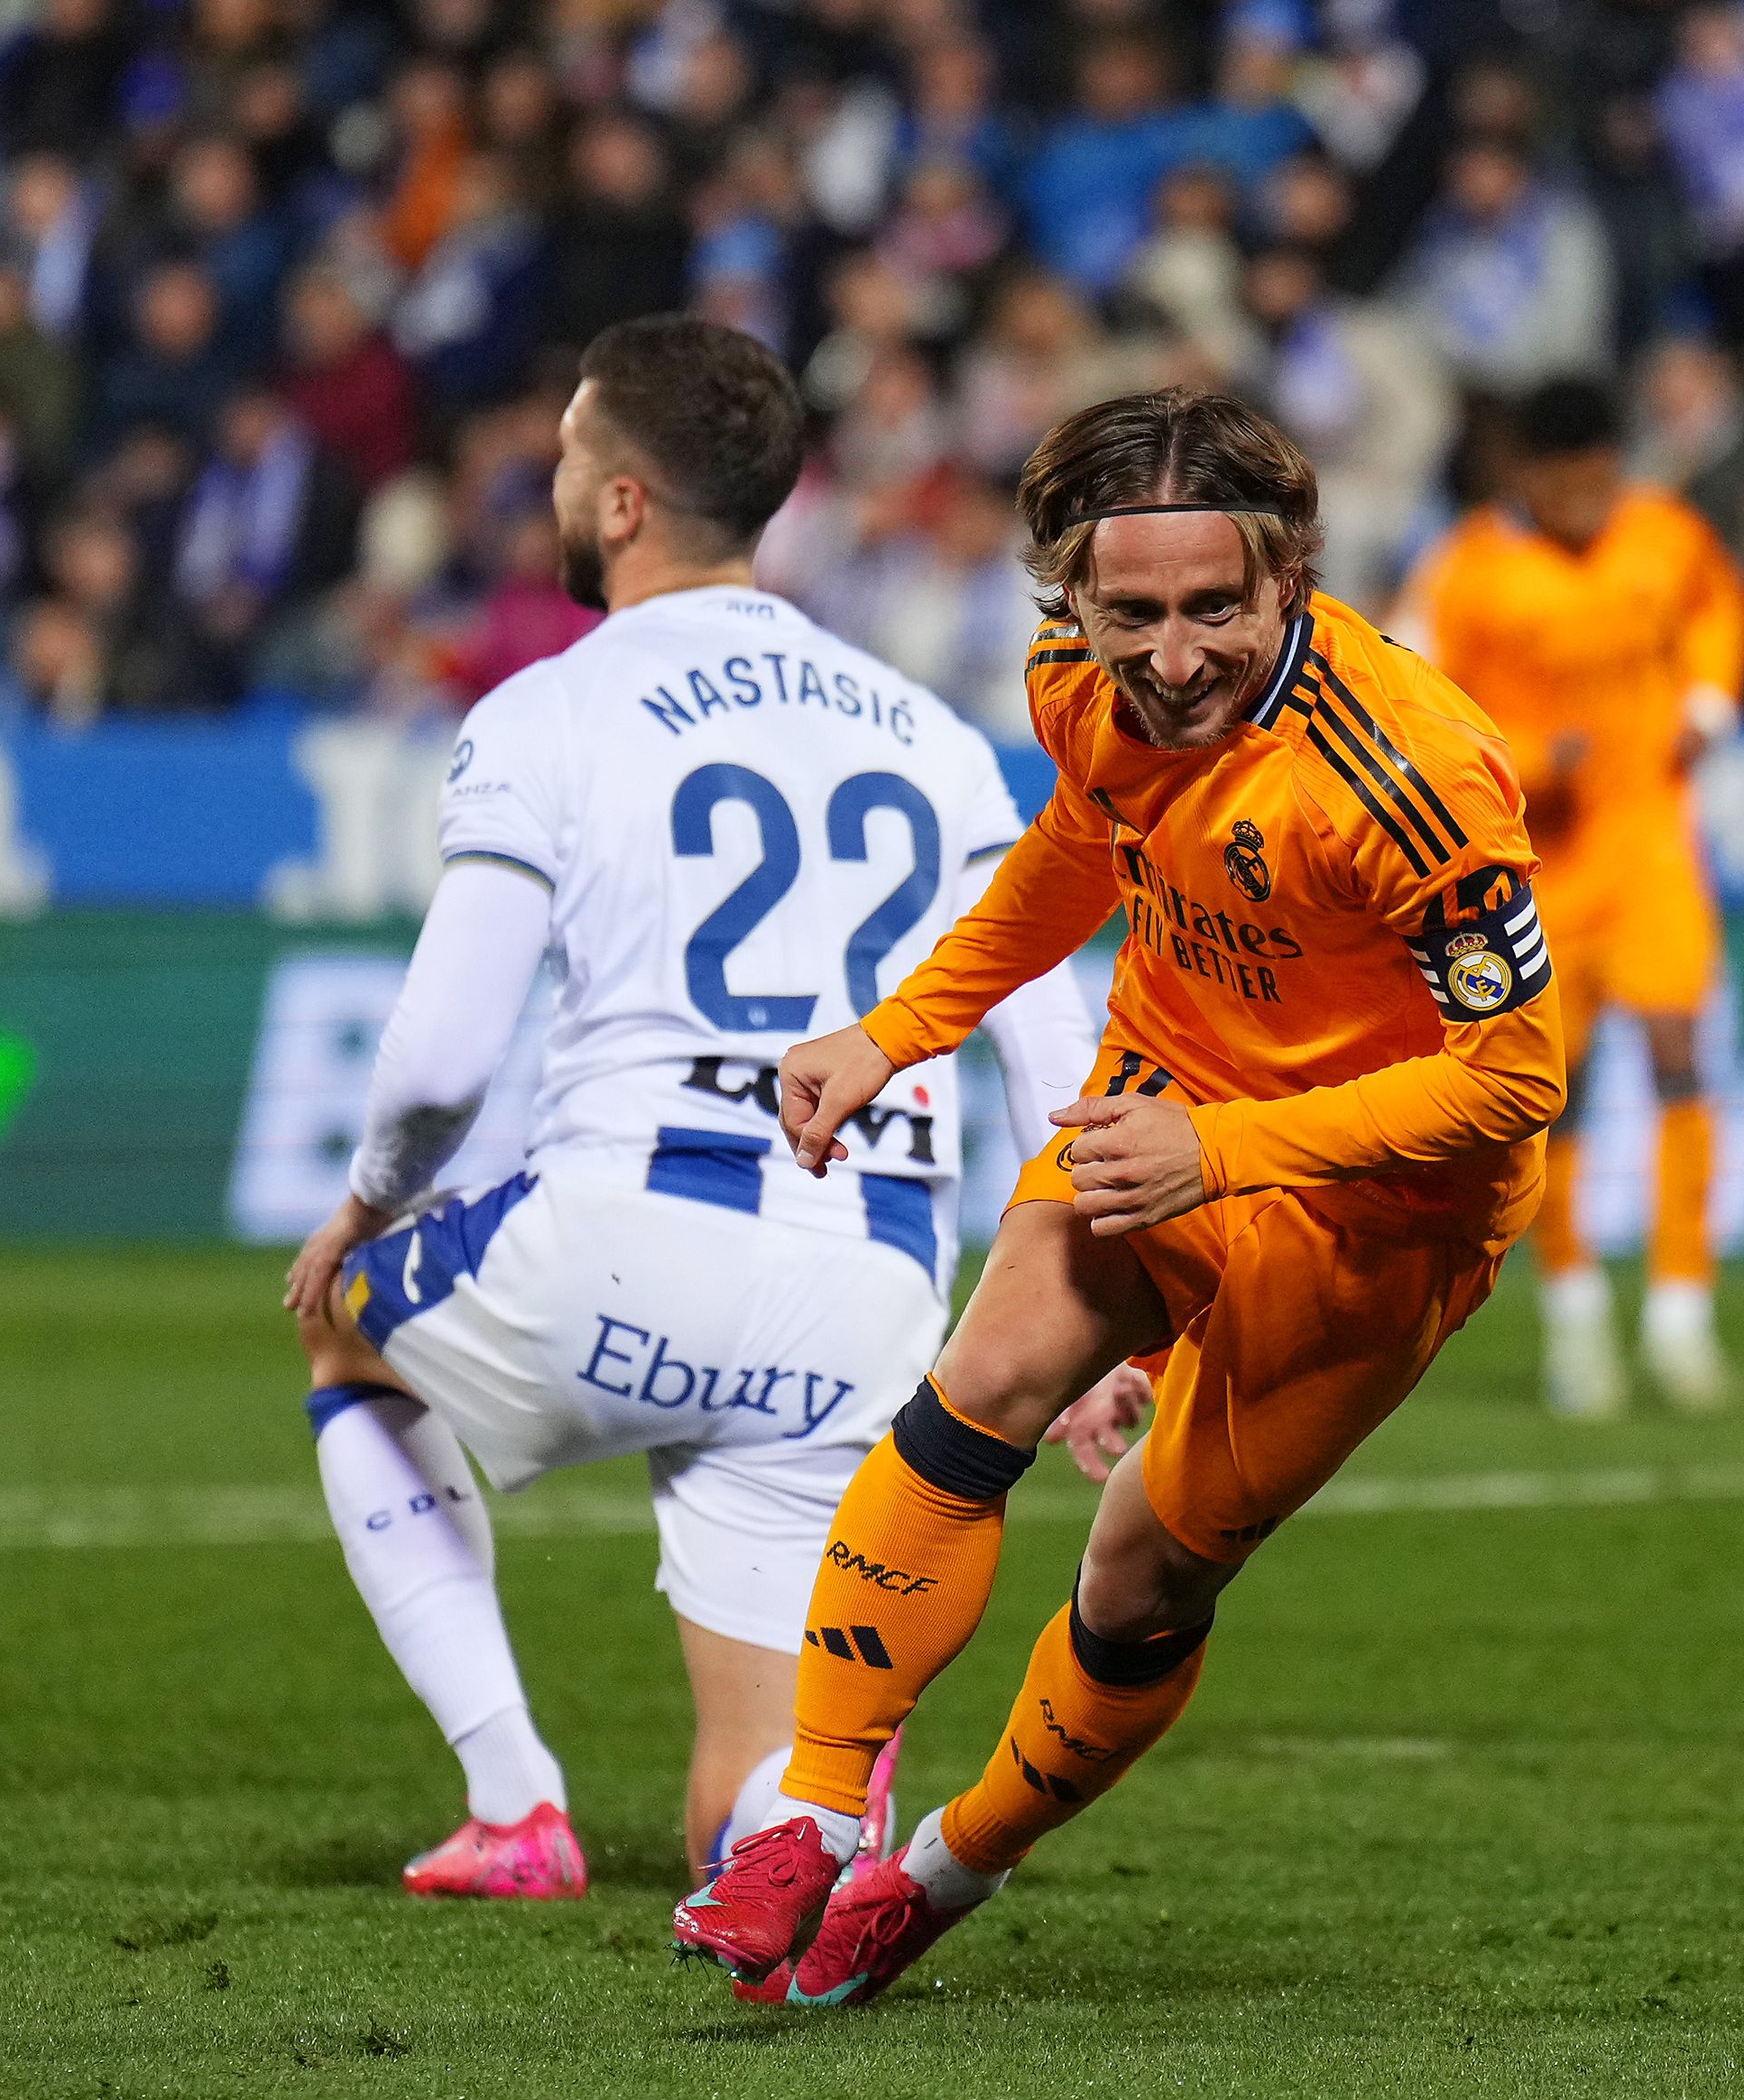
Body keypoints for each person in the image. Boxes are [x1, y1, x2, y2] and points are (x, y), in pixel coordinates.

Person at [669, 390, 1564, 2006]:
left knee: (1141, 1574)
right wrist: (895, 1029)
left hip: (1378, 1209)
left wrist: (1222, 1153)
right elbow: (1078, 849)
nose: (1169, 657)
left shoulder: (1412, 774)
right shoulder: (1079, 686)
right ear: (1066, 594)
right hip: (1165, 1088)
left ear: (1288, 573)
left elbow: (1512, 1078)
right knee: (980, 1387)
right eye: (1128, 612)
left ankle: (937, 1868)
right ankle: (803, 1812)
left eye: (1215, 607)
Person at [276, 317, 1107, 1905]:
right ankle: (807, 1834)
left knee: (345, 1330)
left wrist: (369, 1208)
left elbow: (444, 1057)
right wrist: (1077, 1329)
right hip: (865, 1286)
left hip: (619, 1231)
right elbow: (1049, 1047)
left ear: (623, 501)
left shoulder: (549, 712)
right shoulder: (930, 738)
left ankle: (513, 1802)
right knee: (749, 1799)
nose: (556, 478)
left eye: (572, 453)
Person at [1407, 379, 1744, 1416]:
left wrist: (1706, 700)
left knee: (1681, 1054)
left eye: (1603, 480)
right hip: (1532, 864)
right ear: (1526, 476)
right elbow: (1415, 710)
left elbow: (1716, 612)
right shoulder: (1467, 571)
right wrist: (1519, 758)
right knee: (1550, 1092)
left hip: (1649, 843)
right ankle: (1574, 1315)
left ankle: (1683, 1312)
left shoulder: (1666, 535)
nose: (1589, 503)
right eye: (1568, 485)